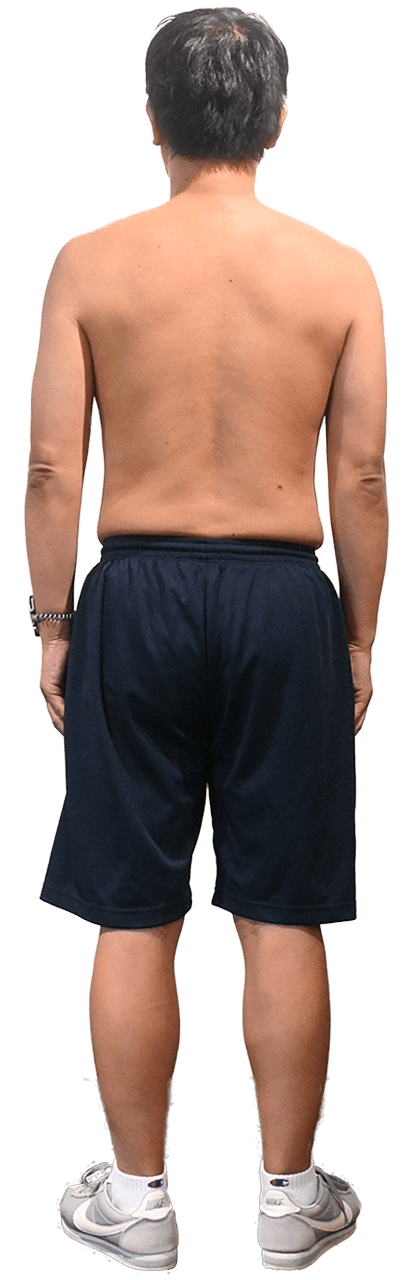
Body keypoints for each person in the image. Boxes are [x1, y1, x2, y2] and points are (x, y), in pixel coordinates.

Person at [23, 6, 388, 1271]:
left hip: (137, 591)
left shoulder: (89, 262)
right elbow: (366, 476)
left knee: (135, 907)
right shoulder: (340, 270)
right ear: (279, 119)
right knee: (281, 906)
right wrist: (359, 639)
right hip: (286, 596)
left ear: (151, 118)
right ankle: (288, 1199)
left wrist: (54, 624)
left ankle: (139, 1201)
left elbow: (52, 466)